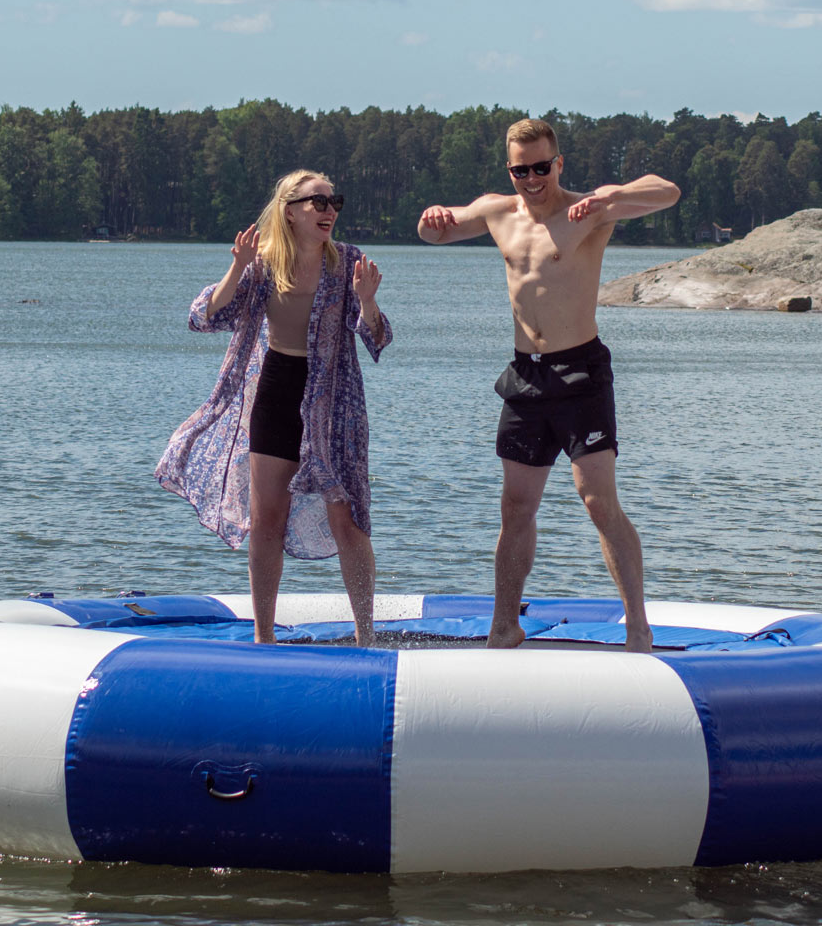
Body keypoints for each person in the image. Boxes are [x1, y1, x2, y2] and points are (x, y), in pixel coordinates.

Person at [417, 118, 679, 651]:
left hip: (581, 372)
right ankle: (504, 623)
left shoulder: (590, 210)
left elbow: (668, 192)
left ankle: (637, 626)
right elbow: (434, 232)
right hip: (527, 375)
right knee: (515, 506)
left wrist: (614, 193)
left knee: (597, 500)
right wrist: (432, 217)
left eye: (541, 167)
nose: (532, 178)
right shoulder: (498, 211)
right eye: (521, 169)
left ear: (558, 163)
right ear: (509, 169)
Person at [157, 170, 390, 646]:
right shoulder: (262, 264)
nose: (328, 210)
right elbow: (203, 317)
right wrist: (236, 268)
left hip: (333, 403)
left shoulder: (347, 264)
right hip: (275, 392)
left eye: (334, 201)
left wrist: (368, 302)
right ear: (290, 209)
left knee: (347, 519)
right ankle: (265, 637)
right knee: (266, 519)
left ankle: (367, 633)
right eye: (317, 202)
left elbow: (377, 337)